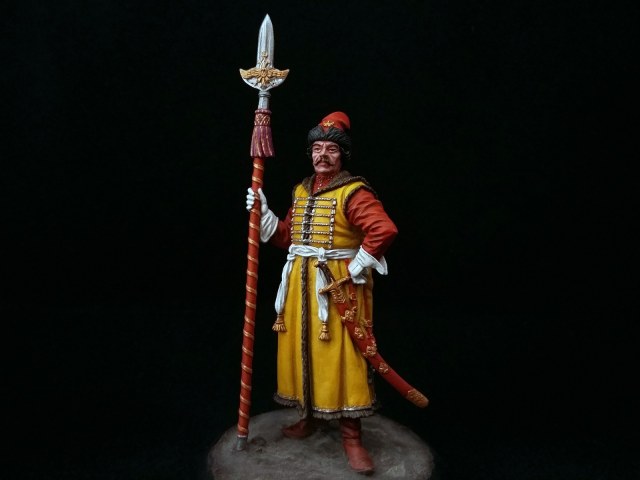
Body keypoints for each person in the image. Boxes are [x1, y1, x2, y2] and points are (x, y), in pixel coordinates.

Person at [245, 111, 398, 475]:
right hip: (299, 288)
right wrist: (264, 214)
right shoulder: (301, 190)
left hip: (337, 288)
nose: (323, 155)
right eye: (317, 149)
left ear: (342, 154)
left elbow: (384, 229)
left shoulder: (353, 191)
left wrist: (357, 265)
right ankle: (309, 415)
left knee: (343, 357)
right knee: (304, 352)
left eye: (331, 149)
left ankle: (351, 437)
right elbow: (288, 238)